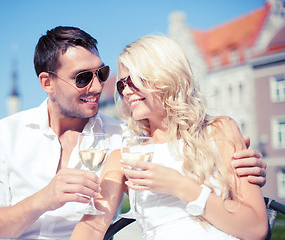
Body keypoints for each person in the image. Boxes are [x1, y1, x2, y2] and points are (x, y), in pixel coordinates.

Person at [0, 27, 266, 239]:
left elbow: (253, 224)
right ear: (47, 83)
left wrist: (240, 160)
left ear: (166, 78)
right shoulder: (8, 133)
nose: (102, 88)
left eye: (103, 75)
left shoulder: (127, 139)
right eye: (84, 78)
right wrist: (45, 198)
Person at [71, 35, 268, 240]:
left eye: (134, 81)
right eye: (122, 86)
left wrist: (178, 185)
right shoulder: (125, 155)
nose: (127, 91)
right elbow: (92, 227)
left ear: (166, 77)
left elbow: (256, 228)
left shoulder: (220, 130)